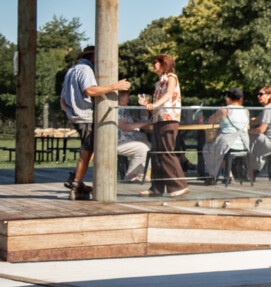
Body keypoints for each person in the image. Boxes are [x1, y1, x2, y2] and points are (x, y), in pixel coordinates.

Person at [59, 45, 131, 200]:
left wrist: (69, 112)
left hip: (76, 116)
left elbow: (62, 100)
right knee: (87, 152)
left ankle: (76, 179)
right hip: (86, 117)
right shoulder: (86, 70)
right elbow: (90, 90)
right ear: (93, 57)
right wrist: (115, 86)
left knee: (88, 150)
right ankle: (76, 183)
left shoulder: (71, 70)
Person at [138, 53, 189, 197]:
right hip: (159, 119)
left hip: (169, 119)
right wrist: (147, 104)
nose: (154, 65)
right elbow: (159, 102)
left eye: (156, 62)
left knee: (166, 152)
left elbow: (168, 95)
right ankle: (156, 188)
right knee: (156, 153)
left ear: (164, 64)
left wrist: (152, 105)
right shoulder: (158, 82)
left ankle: (180, 185)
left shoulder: (171, 77)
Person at [202, 88, 250, 182]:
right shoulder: (246, 110)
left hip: (228, 143)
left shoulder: (225, 110)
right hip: (244, 143)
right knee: (219, 149)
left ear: (228, 98)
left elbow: (211, 120)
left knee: (208, 148)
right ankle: (227, 174)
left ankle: (214, 174)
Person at [117, 91, 150, 183]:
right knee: (143, 148)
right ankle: (130, 176)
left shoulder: (124, 108)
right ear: (121, 96)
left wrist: (142, 121)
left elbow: (131, 120)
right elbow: (125, 126)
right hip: (119, 142)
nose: (129, 97)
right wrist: (145, 123)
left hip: (127, 139)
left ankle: (141, 174)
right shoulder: (119, 109)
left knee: (148, 144)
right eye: (128, 95)